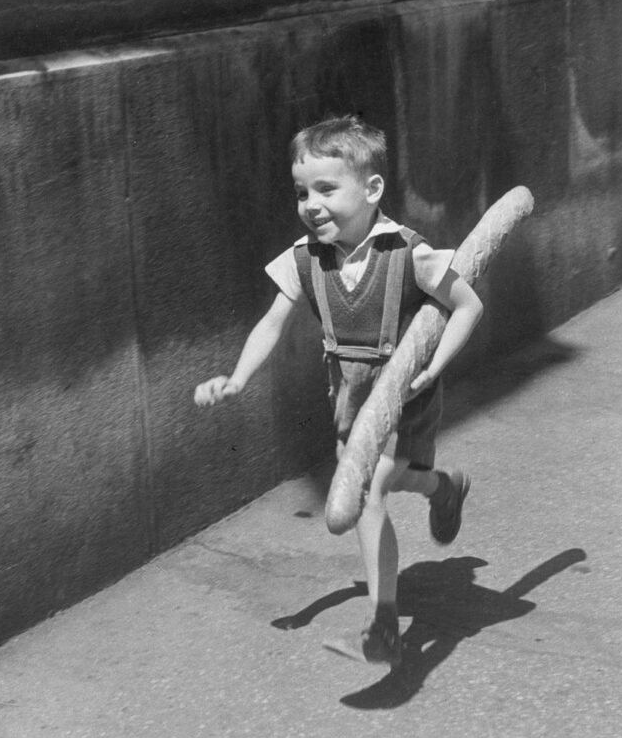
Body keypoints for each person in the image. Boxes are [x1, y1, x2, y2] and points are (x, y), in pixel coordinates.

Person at [194, 116, 483, 668]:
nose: (311, 203)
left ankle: (384, 629)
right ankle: (444, 487)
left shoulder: (408, 253)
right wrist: (237, 377)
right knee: (385, 483)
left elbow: (468, 305)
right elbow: (272, 323)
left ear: (371, 190)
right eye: (303, 191)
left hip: (404, 392)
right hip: (348, 396)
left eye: (327, 188)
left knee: (369, 494)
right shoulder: (305, 257)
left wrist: (434, 365)